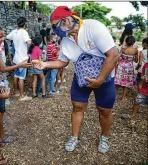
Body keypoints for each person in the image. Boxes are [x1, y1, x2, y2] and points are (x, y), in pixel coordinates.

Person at [33, 6, 119, 153]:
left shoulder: (93, 27)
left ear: (66, 20)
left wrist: (100, 80)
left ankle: (104, 137)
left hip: (104, 78)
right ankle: (74, 137)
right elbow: (63, 62)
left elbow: (114, 55)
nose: (54, 30)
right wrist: (45, 64)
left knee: (104, 110)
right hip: (81, 78)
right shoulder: (65, 40)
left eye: (55, 25)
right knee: (77, 107)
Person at [0, 24, 31, 144]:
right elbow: (3, 69)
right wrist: (19, 65)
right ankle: (2, 136)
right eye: (0, 37)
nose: (3, 39)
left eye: (3, 37)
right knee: (0, 111)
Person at [6, 17, 32, 101]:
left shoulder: (14, 32)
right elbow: (28, 42)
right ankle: (22, 96)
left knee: (16, 75)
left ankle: (16, 92)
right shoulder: (24, 32)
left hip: (16, 58)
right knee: (21, 77)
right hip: (22, 59)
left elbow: (7, 37)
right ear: (24, 24)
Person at [115, 36, 138, 101]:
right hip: (129, 68)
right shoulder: (135, 50)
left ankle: (114, 95)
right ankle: (123, 97)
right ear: (133, 42)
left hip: (121, 66)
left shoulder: (123, 49)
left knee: (118, 82)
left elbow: (118, 57)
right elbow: (136, 61)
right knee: (126, 82)